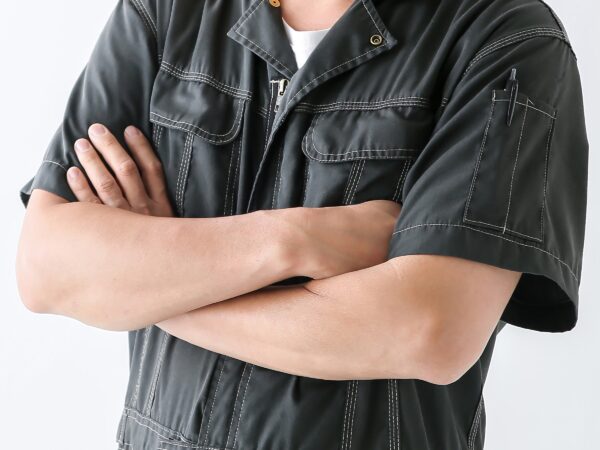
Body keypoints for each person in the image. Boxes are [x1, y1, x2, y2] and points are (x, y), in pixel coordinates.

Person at [15, 0, 588, 449]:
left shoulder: (508, 39)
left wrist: (138, 286)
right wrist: (292, 241)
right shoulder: (165, 10)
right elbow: (45, 270)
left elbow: (429, 331)